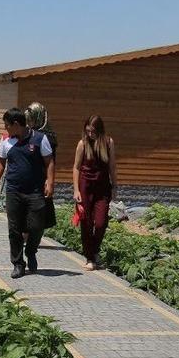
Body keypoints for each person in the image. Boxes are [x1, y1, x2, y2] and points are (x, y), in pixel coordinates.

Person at [0, 107, 55, 279]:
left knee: (37, 226)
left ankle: (31, 251)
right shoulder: (6, 141)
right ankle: (18, 264)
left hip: (35, 191)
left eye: (7, 125)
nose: (6, 129)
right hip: (13, 191)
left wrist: (50, 182)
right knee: (14, 229)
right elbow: (0, 162)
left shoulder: (40, 139)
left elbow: (49, 162)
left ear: (17, 124)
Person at [72, 115, 117, 271]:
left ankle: (95, 249)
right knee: (86, 222)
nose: (90, 134)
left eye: (93, 132)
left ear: (100, 130)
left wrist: (115, 186)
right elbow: (76, 167)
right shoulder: (82, 144)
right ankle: (90, 257)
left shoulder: (108, 143)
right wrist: (76, 190)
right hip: (85, 186)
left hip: (102, 187)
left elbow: (112, 166)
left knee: (100, 222)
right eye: (88, 131)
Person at [25, 102, 57, 229]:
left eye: (31, 121)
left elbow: (51, 162)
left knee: (38, 210)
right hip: (27, 178)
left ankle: (32, 236)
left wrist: (49, 181)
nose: (28, 124)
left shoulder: (48, 138)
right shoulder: (27, 134)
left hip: (40, 178)